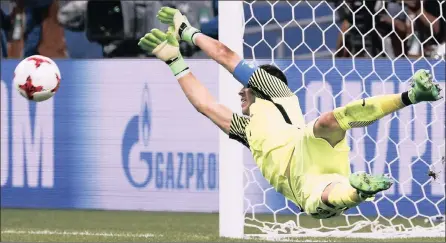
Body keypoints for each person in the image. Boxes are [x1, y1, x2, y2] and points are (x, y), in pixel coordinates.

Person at [138, 7, 443, 219]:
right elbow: (205, 105)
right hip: (301, 182)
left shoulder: (275, 90)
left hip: (307, 147)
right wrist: (175, 61)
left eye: (245, 88)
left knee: (328, 120)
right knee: (320, 199)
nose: (239, 92)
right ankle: (356, 191)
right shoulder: (247, 128)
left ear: (258, 84)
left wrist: (186, 30)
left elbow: (225, 55)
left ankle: (410, 95)